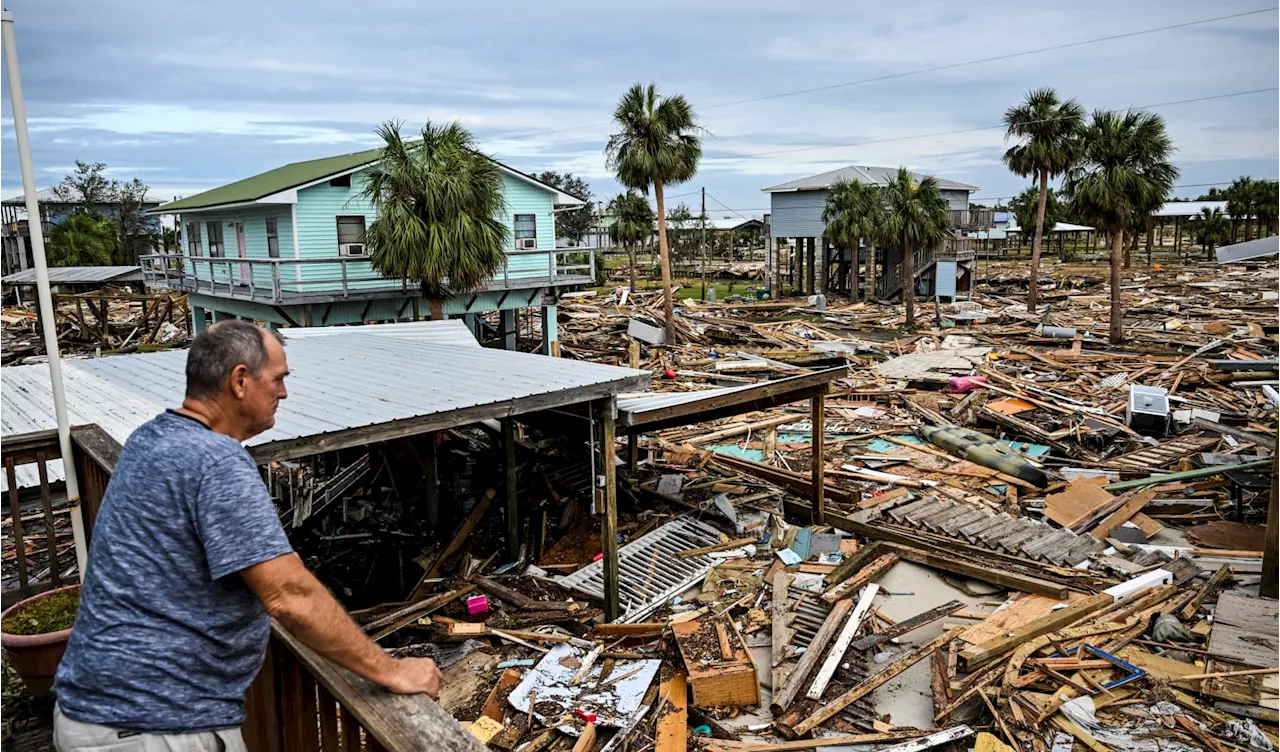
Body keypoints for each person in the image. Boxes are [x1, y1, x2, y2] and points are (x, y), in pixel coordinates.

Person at [53, 320, 440, 751]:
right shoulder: (216, 461)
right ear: (240, 380)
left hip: (100, 710)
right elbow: (288, 596)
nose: (284, 393)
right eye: (278, 379)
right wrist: (391, 670)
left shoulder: (150, 439)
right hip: (153, 724)